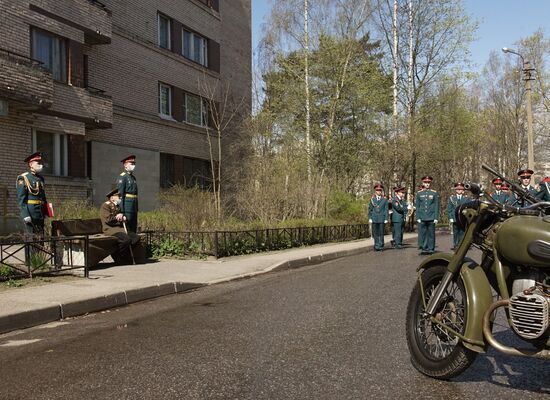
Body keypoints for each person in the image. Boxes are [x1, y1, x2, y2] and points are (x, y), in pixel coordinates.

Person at [100, 188, 140, 262]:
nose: (120, 198)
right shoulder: (105, 206)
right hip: (111, 229)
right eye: (119, 196)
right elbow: (108, 220)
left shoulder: (117, 206)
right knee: (126, 240)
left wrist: (124, 217)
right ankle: (117, 256)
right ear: (112, 198)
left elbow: (122, 217)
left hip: (121, 229)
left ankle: (123, 256)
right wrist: (117, 217)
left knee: (136, 238)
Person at [16, 152, 48, 235]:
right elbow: (21, 199)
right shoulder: (24, 178)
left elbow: (43, 197)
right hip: (30, 212)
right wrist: (25, 214)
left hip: (40, 212)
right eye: (38, 163)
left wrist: (46, 211)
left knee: (40, 238)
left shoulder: (41, 178)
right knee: (31, 238)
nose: (41, 165)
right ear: (31, 164)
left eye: (41, 163)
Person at [415, 176, 439, 255]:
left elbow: (436, 206)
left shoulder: (434, 193)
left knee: (431, 233)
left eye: (428, 183)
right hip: (422, 216)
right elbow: (417, 206)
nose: (427, 184)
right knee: (423, 233)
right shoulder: (419, 194)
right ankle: (424, 248)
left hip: (431, 216)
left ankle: (431, 248)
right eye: (425, 183)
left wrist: (436, 217)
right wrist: (418, 217)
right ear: (423, 183)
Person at [117, 155, 138, 233]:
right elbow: (120, 195)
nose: (133, 166)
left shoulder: (133, 178)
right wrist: (121, 211)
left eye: (134, 164)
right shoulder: (123, 177)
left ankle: (134, 244)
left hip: (133, 207)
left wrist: (136, 208)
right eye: (131, 164)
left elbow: (135, 195)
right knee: (128, 229)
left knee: (133, 228)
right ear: (125, 165)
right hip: (127, 207)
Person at [447, 182, 468, 250]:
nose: (459, 190)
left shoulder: (466, 199)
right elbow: (449, 209)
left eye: (461, 189)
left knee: (462, 232)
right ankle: (456, 245)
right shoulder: (452, 198)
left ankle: (461, 245)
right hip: (454, 218)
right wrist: (450, 217)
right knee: (456, 233)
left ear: (463, 190)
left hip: (462, 218)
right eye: (458, 189)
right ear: (455, 190)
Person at [368, 184, 388, 251]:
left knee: (381, 233)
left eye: (380, 190)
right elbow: (370, 209)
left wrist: (386, 218)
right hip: (374, 218)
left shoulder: (384, 199)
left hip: (381, 218)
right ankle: (376, 246)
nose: (379, 191)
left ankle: (381, 245)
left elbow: (386, 210)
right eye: (377, 190)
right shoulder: (372, 199)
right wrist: (370, 218)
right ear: (375, 191)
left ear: (381, 191)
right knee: (375, 233)